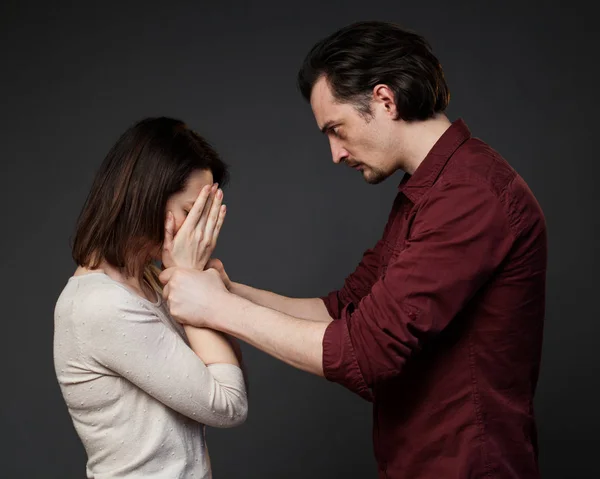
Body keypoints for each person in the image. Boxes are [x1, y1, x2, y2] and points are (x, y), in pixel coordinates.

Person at [160, 21, 547, 478]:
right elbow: (345, 309)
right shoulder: (429, 191)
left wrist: (217, 309)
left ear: (385, 100)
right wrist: (229, 291)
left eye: (336, 129)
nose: (335, 154)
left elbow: (365, 351)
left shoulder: (471, 194)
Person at [53, 117, 248, 479]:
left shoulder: (151, 281)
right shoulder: (100, 304)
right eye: (192, 213)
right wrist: (194, 282)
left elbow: (225, 375)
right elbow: (229, 405)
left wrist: (204, 290)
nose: (201, 231)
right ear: (147, 197)